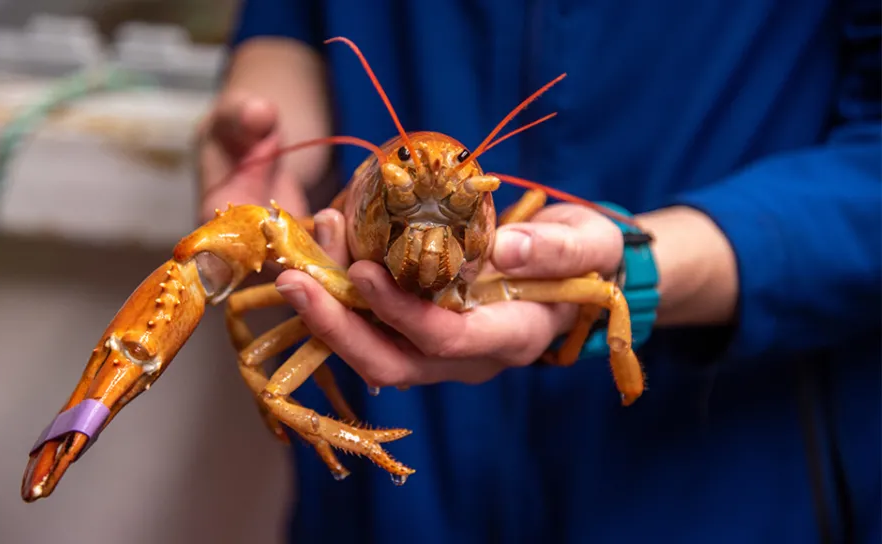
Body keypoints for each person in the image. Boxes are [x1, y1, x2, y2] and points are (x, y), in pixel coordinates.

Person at [195, 1, 881, 542]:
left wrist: (646, 263)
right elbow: (291, 23)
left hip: (731, 465)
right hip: (384, 486)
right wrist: (268, 134)